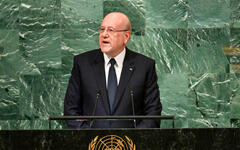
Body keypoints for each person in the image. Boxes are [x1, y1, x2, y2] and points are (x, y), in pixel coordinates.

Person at [64, 12, 162, 128]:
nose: (104, 34)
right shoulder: (83, 63)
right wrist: (91, 137)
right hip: (91, 143)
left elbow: (153, 112)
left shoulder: (144, 66)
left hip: (132, 144)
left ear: (126, 37)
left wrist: (134, 139)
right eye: (102, 29)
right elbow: (71, 110)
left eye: (110, 30)